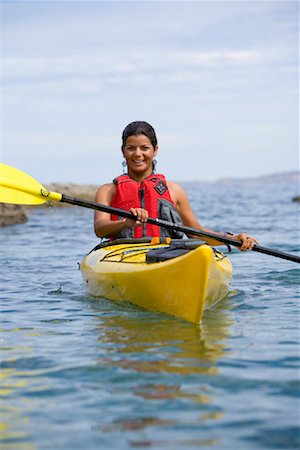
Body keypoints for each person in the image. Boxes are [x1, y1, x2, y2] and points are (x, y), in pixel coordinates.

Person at [94, 121, 258, 250]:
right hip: (122, 256)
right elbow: (100, 229)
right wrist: (125, 223)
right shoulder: (108, 190)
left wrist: (232, 239)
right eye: (131, 148)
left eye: (144, 148)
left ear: (155, 150)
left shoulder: (174, 191)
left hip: (165, 254)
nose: (138, 154)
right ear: (123, 151)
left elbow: (196, 234)